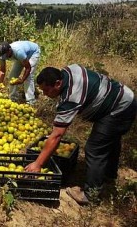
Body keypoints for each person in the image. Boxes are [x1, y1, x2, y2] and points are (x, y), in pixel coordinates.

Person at [25, 64, 137, 205]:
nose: (45, 94)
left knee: (94, 148)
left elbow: (57, 135)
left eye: (47, 90)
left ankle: (91, 196)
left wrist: (38, 163)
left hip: (120, 108)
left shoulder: (71, 97)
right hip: (123, 97)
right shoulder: (69, 70)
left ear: (58, 83)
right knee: (110, 138)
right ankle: (109, 175)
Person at [0, 40, 41, 105]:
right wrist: (0, 83)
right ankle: (13, 98)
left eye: (5, 55)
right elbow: (2, 71)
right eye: (2, 55)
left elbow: (28, 68)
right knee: (12, 76)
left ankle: (31, 101)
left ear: (9, 50)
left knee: (28, 77)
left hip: (33, 53)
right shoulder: (2, 55)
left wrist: (22, 80)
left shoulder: (18, 52)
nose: (4, 57)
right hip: (21, 57)